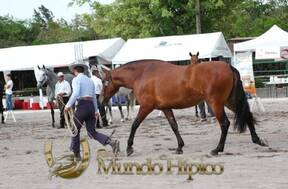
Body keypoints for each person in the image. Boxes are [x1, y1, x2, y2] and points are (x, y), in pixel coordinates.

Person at [65, 62, 120, 161]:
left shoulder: (76, 79)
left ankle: (76, 154)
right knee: (92, 132)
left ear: (74, 70)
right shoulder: (90, 81)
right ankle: (111, 142)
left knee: (74, 130)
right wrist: (95, 110)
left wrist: (68, 105)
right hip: (91, 106)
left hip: (82, 105)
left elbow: (76, 93)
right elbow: (94, 97)